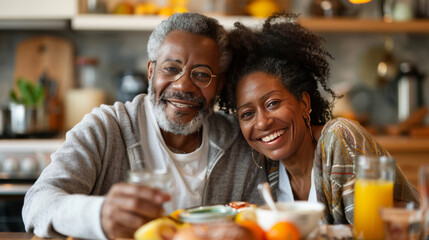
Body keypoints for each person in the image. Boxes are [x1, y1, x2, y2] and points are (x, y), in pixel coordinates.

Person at [22, 13, 266, 240]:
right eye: (171, 68)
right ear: (151, 72)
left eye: (201, 74)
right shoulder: (106, 128)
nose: (183, 86)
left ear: (219, 85)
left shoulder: (241, 143)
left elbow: (262, 222)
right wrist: (99, 213)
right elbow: (38, 203)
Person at [218, 12, 419, 224]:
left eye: (273, 104)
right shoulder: (270, 170)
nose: (261, 122)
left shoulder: (339, 138)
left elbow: (370, 233)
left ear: (304, 104)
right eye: (247, 114)